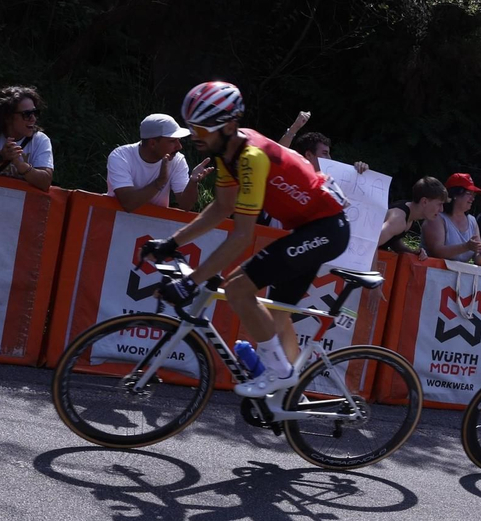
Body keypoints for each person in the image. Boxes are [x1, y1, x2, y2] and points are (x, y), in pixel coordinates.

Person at [138, 81, 350, 397]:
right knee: (278, 314)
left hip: (325, 229)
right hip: (308, 229)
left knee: (238, 288)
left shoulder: (251, 157)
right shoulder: (226, 153)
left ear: (229, 125)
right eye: (192, 126)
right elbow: (222, 207)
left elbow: (241, 236)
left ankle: (279, 373)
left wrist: (192, 281)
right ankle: (289, 398)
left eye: (202, 127)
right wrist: (173, 242)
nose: (195, 135)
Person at [106, 114, 210, 212]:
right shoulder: (121, 156)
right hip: (113, 223)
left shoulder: (177, 160)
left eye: (178, 140)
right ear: (152, 143)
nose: (179, 146)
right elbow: (128, 204)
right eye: (172, 141)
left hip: (153, 226)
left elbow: (186, 206)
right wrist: (159, 182)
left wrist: (193, 182)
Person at [421, 173, 481, 264]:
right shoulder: (437, 218)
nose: (472, 198)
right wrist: (466, 246)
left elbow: (477, 260)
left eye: (474, 195)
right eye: (469, 193)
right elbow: (437, 251)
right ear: (455, 195)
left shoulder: (472, 221)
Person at [379, 176, 448, 253]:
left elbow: (392, 239)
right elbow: (370, 242)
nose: (441, 209)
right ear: (424, 201)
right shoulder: (398, 219)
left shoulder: (408, 216)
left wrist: (412, 252)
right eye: (439, 204)